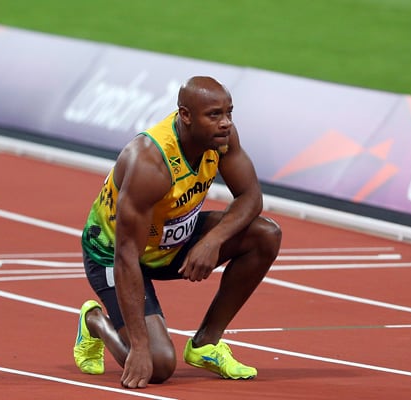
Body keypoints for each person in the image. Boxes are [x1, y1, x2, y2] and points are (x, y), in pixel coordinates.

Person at [75, 76, 282, 389]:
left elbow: (251, 197)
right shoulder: (150, 163)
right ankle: (96, 324)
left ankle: (205, 345)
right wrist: (141, 348)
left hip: (169, 239)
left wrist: (213, 240)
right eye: (214, 115)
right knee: (157, 367)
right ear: (185, 115)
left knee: (265, 235)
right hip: (113, 254)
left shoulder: (222, 138)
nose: (225, 123)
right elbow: (126, 255)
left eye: (229, 113)